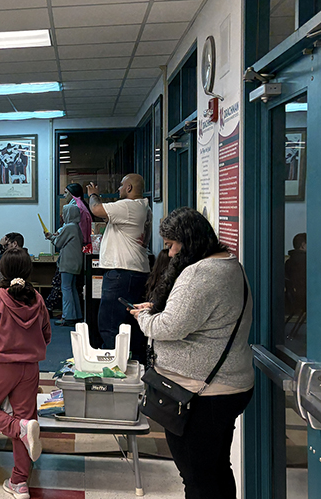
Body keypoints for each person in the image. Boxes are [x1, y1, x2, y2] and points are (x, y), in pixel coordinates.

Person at [130, 207, 253, 499]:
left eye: (172, 246)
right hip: (228, 385)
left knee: (196, 478)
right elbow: (195, 316)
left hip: (200, 394)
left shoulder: (201, 273)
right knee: (217, 469)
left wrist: (143, 318)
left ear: (189, 240)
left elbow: (169, 327)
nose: (170, 254)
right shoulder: (229, 264)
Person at [0, 248, 51, 499]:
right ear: (28, 270)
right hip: (31, 368)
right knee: (26, 416)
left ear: (3, 270)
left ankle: (17, 427)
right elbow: (47, 334)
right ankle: (19, 482)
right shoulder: (38, 299)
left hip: (2, 365)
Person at [87, 173, 152, 364]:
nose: (119, 189)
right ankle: (132, 365)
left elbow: (96, 209)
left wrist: (93, 194)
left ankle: (113, 367)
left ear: (129, 188)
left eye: (121, 186)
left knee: (109, 324)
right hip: (132, 271)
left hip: (121, 273)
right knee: (128, 324)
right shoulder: (142, 208)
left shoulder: (129, 206)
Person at [45, 203, 84, 326]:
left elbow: (59, 243)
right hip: (76, 263)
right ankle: (77, 315)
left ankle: (67, 317)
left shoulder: (69, 227)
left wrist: (51, 237)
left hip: (67, 263)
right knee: (72, 288)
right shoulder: (77, 227)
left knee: (66, 288)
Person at [65, 183, 93, 252]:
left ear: (72, 194)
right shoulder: (82, 206)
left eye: (66, 193)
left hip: (77, 244)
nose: (64, 196)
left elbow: (72, 227)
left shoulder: (76, 208)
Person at [285, 232, 306, 318]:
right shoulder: (307, 262)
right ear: (303, 245)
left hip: (295, 300)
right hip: (306, 298)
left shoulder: (288, 262)